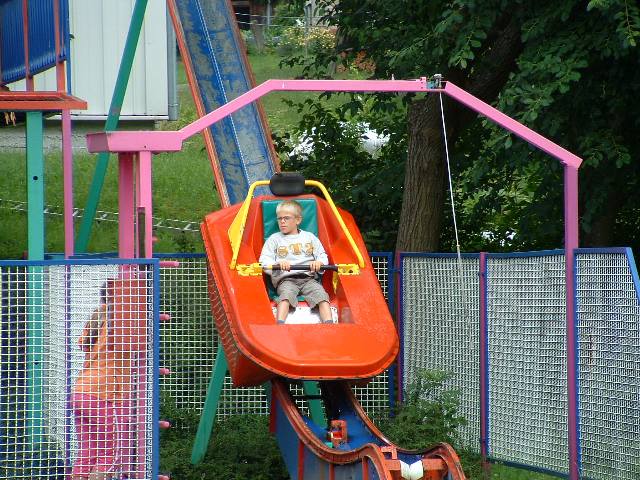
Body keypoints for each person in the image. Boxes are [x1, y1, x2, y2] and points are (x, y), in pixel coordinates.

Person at [71, 283, 131, 480]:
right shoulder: (123, 320)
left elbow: (83, 344)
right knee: (110, 457)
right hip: (103, 393)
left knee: (86, 455)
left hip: (80, 391)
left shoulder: (98, 316)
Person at [259, 199, 333, 324]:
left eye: (286, 218)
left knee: (322, 296)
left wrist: (319, 263)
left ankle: (330, 324)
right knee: (286, 296)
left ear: (298, 220)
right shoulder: (274, 239)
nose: (282, 221)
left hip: (309, 279)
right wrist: (277, 265)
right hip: (286, 279)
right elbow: (264, 261)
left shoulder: (309, 237)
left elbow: (322, 255)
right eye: (279, 218)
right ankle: (280, 324)